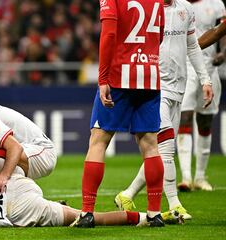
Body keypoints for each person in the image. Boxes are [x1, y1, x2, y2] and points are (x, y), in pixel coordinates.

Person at [114, 0, 213, 221]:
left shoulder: (185, 8)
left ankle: (127, 194)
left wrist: (205, 79)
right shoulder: (147, 7)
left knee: (159, 153)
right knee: (166, 150)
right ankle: (174, 204)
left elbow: (192, 46)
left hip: (179, 85)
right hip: (154, 88)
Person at [71, 0, 166, 228]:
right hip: (149, 75)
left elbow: (109, 34)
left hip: (119, 75)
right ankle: (154, 213)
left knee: (98, 140)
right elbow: (160, 34)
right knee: (151, 144)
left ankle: (87, 213)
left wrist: (103, 78)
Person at [0, 164, 182, 228]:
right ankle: (151, 213)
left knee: (88, 219)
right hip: (13, 182)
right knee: (69, 212)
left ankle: (146, 218)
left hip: (16, 207)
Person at [177, 0, 226, 192]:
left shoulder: (216, 4)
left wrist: (223, 53)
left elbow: (221, 31)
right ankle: (186, 177)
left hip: (209, 67)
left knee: (205, 122)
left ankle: (200, 176)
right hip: (184, 67)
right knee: (184, 117)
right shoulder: (175, 3)